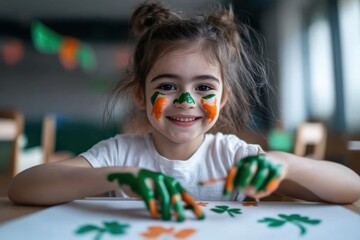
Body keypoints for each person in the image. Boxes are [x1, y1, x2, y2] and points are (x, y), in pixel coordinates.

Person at [8, 1, 360, 222]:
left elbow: (351, 188)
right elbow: (23, 188)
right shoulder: (119, 153)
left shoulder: (233, 157)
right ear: (140, 95)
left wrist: (285, 162)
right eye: (167, 86)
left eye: (204, 88)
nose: (186, 102)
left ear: (223, 99)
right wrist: (119, 176)